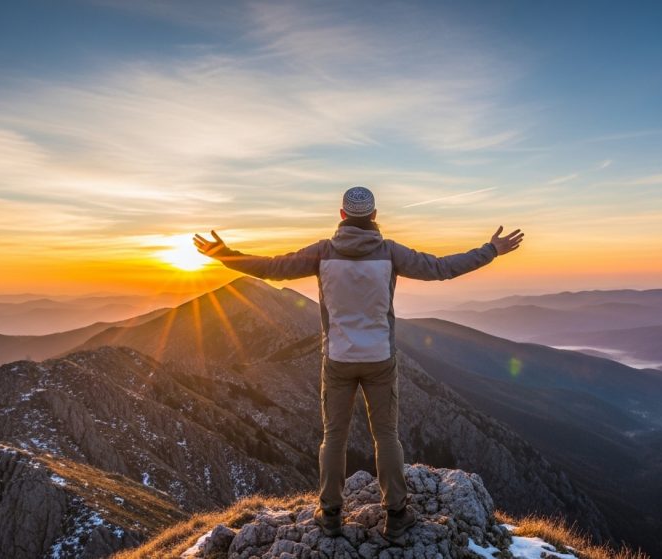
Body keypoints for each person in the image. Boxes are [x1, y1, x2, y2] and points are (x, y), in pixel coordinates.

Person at [194, 186, 523, 539]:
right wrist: (490, 250)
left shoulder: (323, 252)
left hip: (338, 358)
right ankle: (396, 514)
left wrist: (225, 255)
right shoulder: (390, 252)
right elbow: (442, 268)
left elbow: (272, 268)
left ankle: (330, 514)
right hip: (380, 358)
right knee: (387, 436)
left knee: (334, 437)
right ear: (375, 216)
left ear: (342, 215)